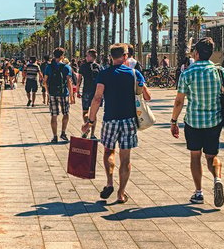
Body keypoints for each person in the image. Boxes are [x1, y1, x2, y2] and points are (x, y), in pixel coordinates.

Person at [170, 38, 224, 207]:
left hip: (193, 122)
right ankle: (217, 179)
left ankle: (199, 193)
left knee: (195, 157)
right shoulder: (218, 71)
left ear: (197, 53)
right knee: (212, 156)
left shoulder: (188, 73)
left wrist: (173, 121)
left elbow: (179, 101)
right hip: (214, 122)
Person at [84, 44, 150, 204]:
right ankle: (121, 193)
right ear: (125, 56)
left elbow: (97, 98)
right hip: (129, 120)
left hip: (110, 119)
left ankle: (109, 183)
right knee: (125, 158)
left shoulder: (104, 74)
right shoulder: (134, 73)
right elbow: (147, 97)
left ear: (111, 57)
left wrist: (90, 121)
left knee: (108, 152)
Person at [43, 47, 73, 142]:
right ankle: (63, 133)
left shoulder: (49, 67)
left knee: (54, 115)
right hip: (64, 93)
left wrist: (48, 92)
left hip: (52, 94)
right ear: (62, 56)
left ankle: (55, 136)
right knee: (66, 113)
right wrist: (71, 96)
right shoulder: (66, 67)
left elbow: (45, 81)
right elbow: (69, 82)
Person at [77, 49, 101, 139]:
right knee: (93, 113)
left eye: (87, 56)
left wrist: (77, 91)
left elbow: (79, 79)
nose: (86, 57)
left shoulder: (83, 67)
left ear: (91, 57)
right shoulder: (99, 67)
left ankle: (87, 128)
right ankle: (92, 134)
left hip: (86, 91)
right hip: (96, 92)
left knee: (85, 112)